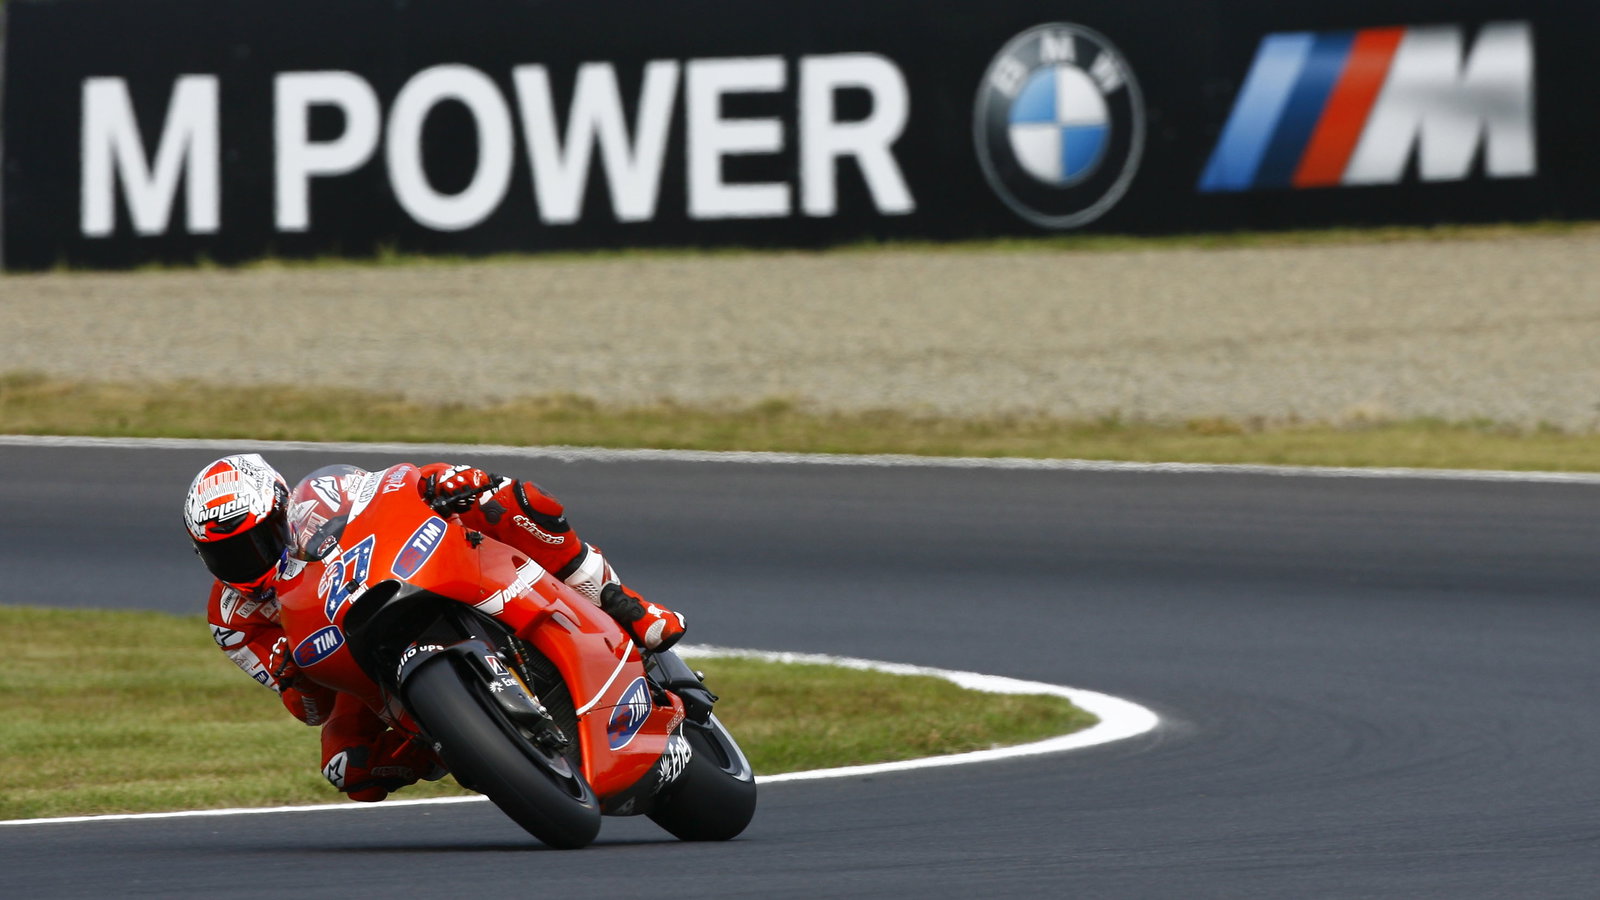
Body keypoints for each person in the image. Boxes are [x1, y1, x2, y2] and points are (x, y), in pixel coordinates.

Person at [182, 452, 686, 802]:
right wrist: (292, 674)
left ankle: (627, 607)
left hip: (401, 576)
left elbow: (393, 486)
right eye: (222, 554)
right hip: (351, 663)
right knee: (348, 768)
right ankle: (450, 739)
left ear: (280, 508)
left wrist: (444, 481)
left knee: (518, 502)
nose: (244, 564)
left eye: (256, 542)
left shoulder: (320, 499)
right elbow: (310, 711)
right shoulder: (230, 619)